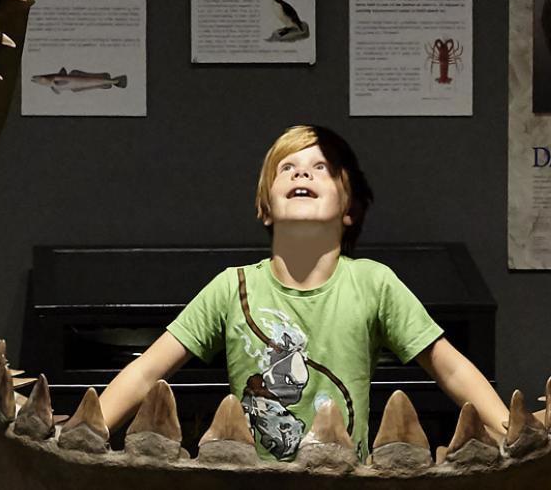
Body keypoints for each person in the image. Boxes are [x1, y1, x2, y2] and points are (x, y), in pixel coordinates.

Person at [98, 125, 508, 461]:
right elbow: (147, 371)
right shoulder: (233, 286)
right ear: (265, 207)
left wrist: (511, 430)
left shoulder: (373, 283)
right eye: (286, 167)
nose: (301, 173)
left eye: (322, 167)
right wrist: (83, 429)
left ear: (349, 207)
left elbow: (450, 368)